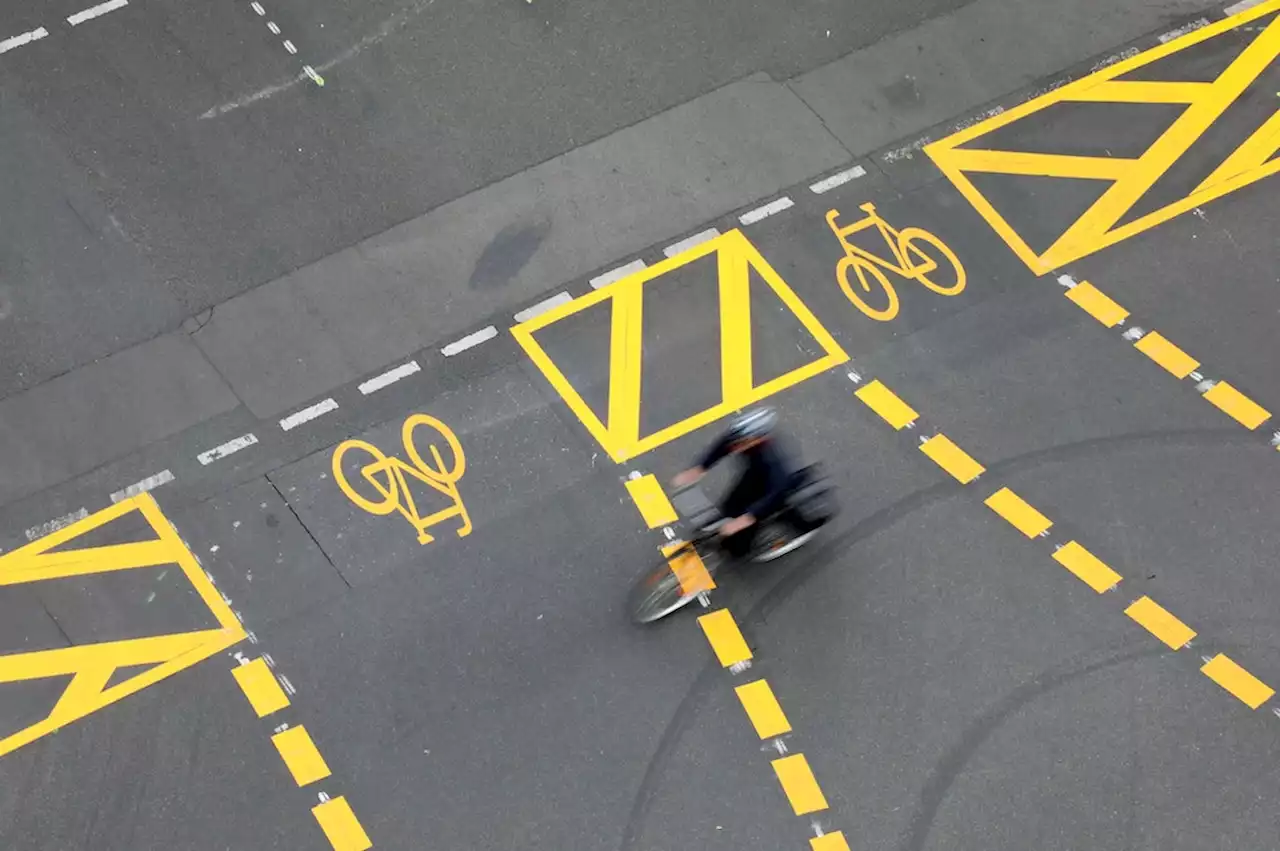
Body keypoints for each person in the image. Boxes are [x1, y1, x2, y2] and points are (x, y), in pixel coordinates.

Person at [672, 407, 798, 558]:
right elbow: (723, 446)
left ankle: (740, 549)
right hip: (755, 475)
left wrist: (745, 519)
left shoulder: (773, 461)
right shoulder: (741, 438)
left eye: (743, 442)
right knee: (730, 505)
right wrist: (699, 468)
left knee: (742, 533)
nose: (737, 445)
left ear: (759, 439)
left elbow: (775, 494)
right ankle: (720, 530)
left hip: (772, 491)